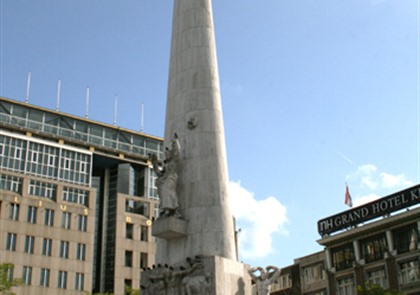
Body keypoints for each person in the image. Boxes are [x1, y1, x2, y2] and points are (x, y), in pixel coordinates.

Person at [150, 133, 181, 217]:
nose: (166, 155)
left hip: (171, 178)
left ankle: (172, 208)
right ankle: (167, 209)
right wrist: (154, 163)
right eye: (165, 154)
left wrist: (175, 141)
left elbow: (177, 152)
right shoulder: (166, 165)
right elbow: (159, 173)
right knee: (165, 191)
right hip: (166, 178)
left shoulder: (173, 161)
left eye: (168, 154)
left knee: (167, 190)